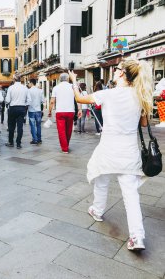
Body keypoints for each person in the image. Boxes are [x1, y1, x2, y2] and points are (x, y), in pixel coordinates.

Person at [70, 58, 153, 251]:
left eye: (116, 69)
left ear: (122, 73)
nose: (114, 71)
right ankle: (137, 236)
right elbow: (143, 124)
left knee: (101, 179)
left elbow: (80, 99)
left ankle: (97, 210)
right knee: (131, 194)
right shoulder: (140, 95)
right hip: (129, 151)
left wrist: (74, 81)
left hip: (108, 148)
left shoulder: (108, 94)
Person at [48, 73, 79, 153]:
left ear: (60, 79)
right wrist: (80, 110)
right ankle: (66, 144)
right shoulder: (72, 87)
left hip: (60, 112)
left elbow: (52, 101)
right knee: (68, 130)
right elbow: (78, 99)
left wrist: (50, 111)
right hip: (70, 111)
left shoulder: (56, 88)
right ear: (68, 79)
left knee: (61, 131)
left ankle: (64, 148)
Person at [5, 74, 30, 149]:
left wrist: (7, 102)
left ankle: (11, 142)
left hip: (13, 108)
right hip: (22, 108)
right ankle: (18, 143)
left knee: (11, 126)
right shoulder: (25, 88)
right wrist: (25, 105)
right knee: (20, 127)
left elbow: (7, 100)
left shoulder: (11, 88)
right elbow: (29, 100)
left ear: (14, 79)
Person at [27, 79, 45, 144]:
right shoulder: (40, 91)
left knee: (32, 125)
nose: (28, 84)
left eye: (29, 83)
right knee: (38, 125)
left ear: (31, 83)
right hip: (38, 110)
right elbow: (43, 101)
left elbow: (28, 101)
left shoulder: (28, 91)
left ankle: (35, 139)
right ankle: (39, 139)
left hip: (31, 110)